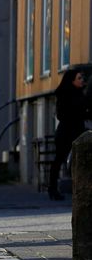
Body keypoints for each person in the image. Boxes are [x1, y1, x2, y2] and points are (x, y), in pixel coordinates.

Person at [48, 69, 87, 201]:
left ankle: (80, 188)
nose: (82, 80)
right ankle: (52, 189)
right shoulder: (64, 94)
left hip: (79, 131)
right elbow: (61, 115)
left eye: (82, 78)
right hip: (66, 132)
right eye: (79, 78)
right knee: (59, 159)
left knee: (80, 159)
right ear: (72, 80)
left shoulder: (80, 93)